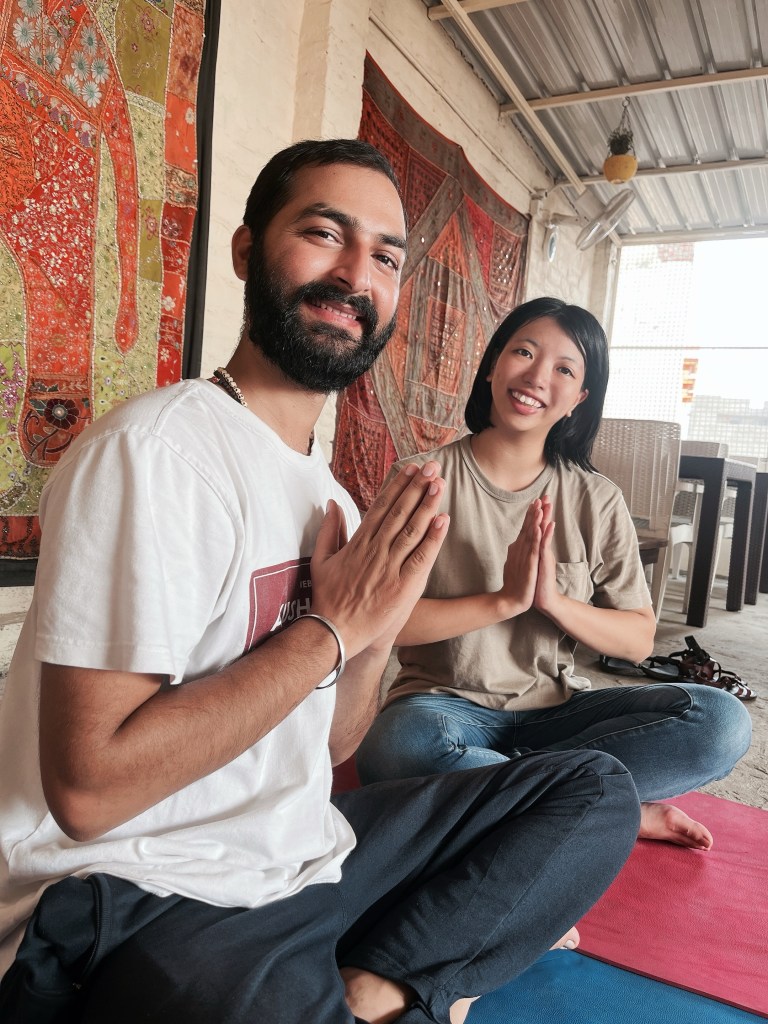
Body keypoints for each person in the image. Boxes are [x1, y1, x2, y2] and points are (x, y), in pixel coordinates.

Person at [0, 144, 642, 1024]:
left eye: (384, 256)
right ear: (244, 251)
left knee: (594, 792)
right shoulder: (158, 454)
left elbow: (333, 741)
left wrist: (377, 628)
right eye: (322, 233)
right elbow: (89, 791)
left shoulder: (330, 494)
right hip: (141, 888)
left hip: (303, 855)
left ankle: (383, 986)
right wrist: (333, 628)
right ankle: (403, 987)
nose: (354, 275)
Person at [356, 297, 752, 851]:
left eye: (564, 368)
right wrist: (503, 600)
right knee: (395, 747)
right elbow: (377, 625)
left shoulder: (596, 497)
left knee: (721, 721)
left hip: (559, 709)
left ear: (579, 399)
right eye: (523, 351)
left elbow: (638, 639)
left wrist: (551, 601)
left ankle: (518, 790)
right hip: (444, 709)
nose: (537, 376)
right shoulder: (421, 480)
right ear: (493, 364)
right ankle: (604, 800)